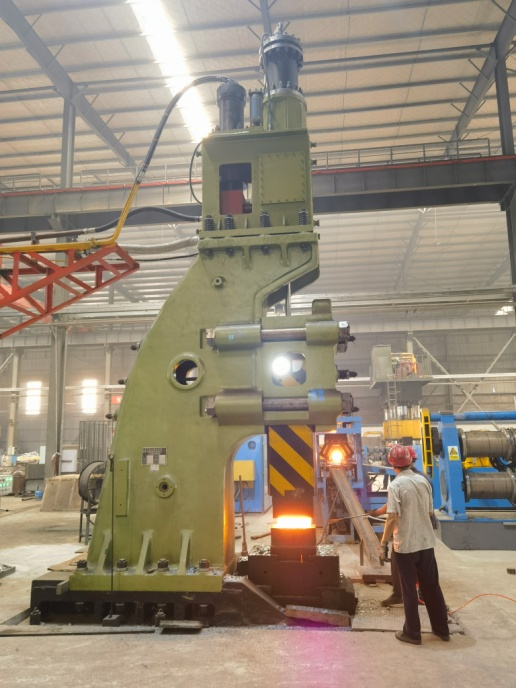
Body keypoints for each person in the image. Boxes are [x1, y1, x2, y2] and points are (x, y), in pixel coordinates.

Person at [379, 444, 449, 645]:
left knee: (409, 590)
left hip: (406, 546)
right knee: (432, 587)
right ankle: (442, 630)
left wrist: (383, 543)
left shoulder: (396, 485)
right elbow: (430, 512)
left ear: (392, 463)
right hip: (426, 543)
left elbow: (392, 517)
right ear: (410, 461)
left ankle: (412, 633)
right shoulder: (423, 481)